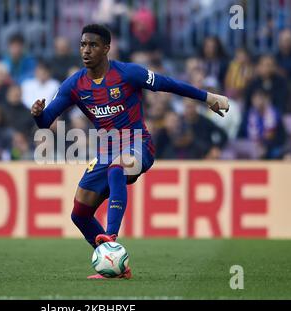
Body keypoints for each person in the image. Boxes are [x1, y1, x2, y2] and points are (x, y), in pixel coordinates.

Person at [30, 24, 229, 279]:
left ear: (106, 48)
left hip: (139, 144)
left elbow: (168, 84)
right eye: (82, 45)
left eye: (92, 45)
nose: (86, 50)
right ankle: (116, 264)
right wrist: (37, 115)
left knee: (118, 166)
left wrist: (208, 97)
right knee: (79, 214)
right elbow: (47, 121)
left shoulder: (127, 73)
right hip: (106, 151)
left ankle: (111, 239)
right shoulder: (74, 85)